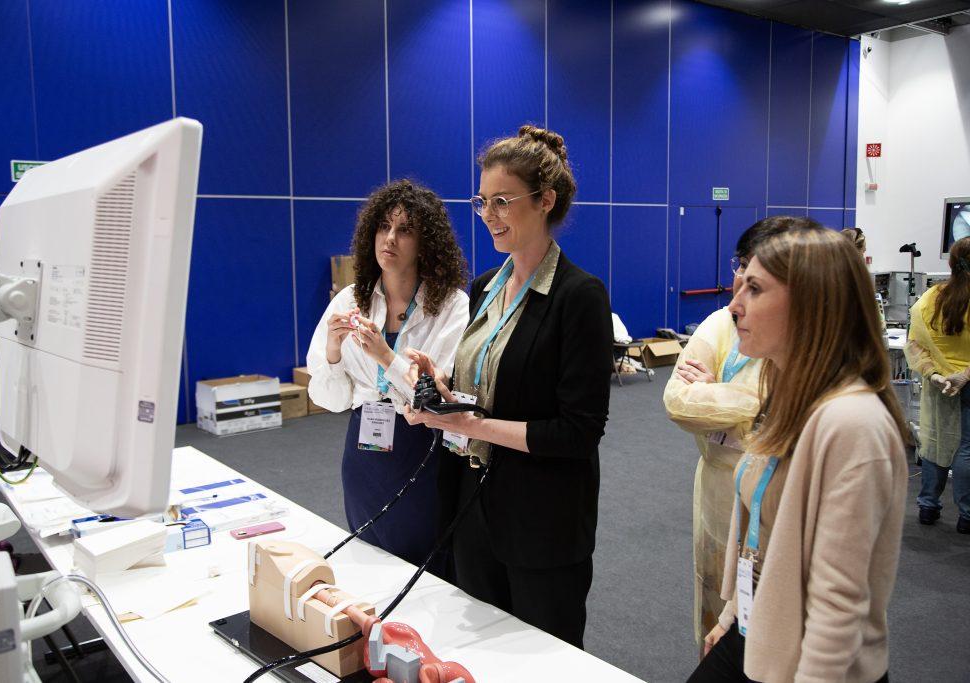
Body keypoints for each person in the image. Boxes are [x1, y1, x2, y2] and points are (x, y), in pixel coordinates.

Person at [403, 126, 612, 648]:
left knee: (542, 661)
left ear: (545, 201)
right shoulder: (484, 289)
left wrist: (472, 425)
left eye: (502, 201)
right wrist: (443, 389)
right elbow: (486, 390)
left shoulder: (579, 296)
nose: (488, 214)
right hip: (474, 506)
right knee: (481, 657)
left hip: (542, 521)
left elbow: (578, 433)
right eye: (482, 201)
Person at [690, 223, 908, 682]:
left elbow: (838, 605)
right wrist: (733, 614)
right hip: (759, 628)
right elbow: (765, 535)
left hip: (813, 659)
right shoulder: (790, 396)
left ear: (811, 304)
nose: (734, 305)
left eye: (755, 289)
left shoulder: (852, 424)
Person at [306, 179, 469, 567]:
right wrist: (333, 352)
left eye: (405, 230)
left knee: (427, 565)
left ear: (426, 243)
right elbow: (330, 400)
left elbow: (434, 396)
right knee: (369, 558)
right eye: (383, 226)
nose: (390, 238)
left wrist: (385, 357)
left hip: (423, 445)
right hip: (364, 450)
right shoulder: (350, 299)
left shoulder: (452, 305)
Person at [664, 216, 810, 650]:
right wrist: (757, 405)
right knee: (715, 602)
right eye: (740, 267)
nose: (739, 289)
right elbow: (678, 402)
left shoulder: (809, 347)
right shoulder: (722, 322)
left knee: (771, 622)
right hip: (716, 482)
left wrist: (715, 393)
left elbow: (795, 406)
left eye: (757, 282)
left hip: (775, 496)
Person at [905, 236, 970, 534]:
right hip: (966, 382)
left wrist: (933, 374)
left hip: (938, 383)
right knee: (967, 448)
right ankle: (966, 515)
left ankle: (928, 506)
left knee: (934, 441)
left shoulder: (930, 298)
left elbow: (915, 344)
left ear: (951, 263)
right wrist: (965, 374)